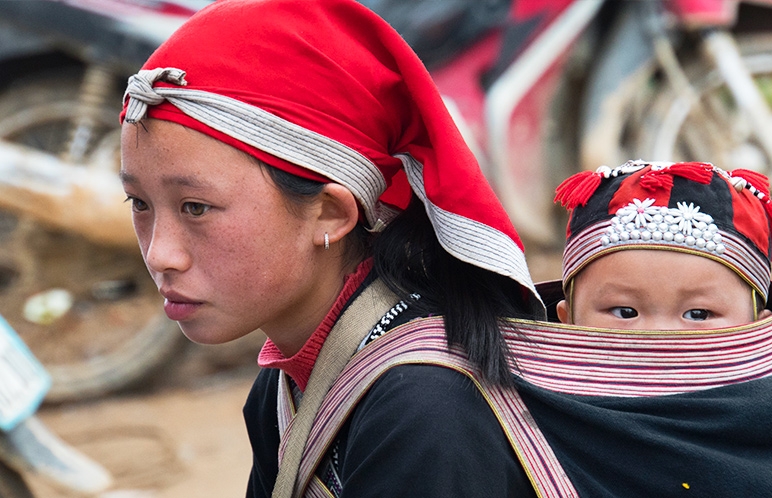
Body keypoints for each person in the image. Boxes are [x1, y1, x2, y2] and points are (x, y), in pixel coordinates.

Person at [118, 0, 552, 496]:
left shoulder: (428, 409)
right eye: (139, 202)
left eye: (195, 207)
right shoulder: (283, 390)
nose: (159, 255)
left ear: (329, 213)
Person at [508, 159, 772, 496]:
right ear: (568, 321)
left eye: (698, 314)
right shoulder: (524, 413)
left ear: (759, 327)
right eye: (625, 310)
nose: (659, 334)